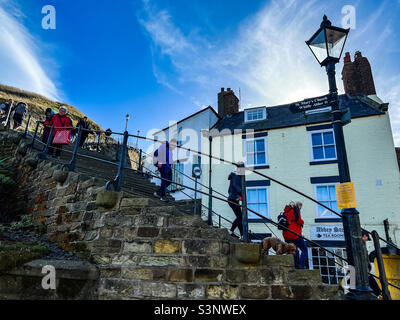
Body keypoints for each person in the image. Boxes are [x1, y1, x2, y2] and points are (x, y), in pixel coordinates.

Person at [282, 201, 308, 269]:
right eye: (300, 207)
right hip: (294, 234)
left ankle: (295, 266)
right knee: (304, 250)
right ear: (299, 206)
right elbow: (298, 220)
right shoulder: (295, 210)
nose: (300, 209)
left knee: (294, 250)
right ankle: (301, 266)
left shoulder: (285, 212)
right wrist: (303, 222)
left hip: (286, 235)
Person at [362, 230, 382, 298]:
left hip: (366, 272)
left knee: (376, 290)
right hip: (364, 272)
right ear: (364, 236)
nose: (367, 240)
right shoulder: (361, 246)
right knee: (376, 290)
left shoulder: (362, 245)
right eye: (367, 238)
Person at [227, 164, 243, 239]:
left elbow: (229, 190)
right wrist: (242, 194)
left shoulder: (234, 176)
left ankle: (237, 233)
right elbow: (235, 185)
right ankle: (233, 232)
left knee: (239, 217)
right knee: (240, 217)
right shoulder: (236, 176)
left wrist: (238, 196)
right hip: (233, 199)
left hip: (233, 199)